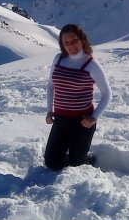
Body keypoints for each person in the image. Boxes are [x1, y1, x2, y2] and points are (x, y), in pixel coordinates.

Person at [44, 24, 111, 170]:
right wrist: (50, 111)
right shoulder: (58, 59)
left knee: (76, 165)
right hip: (61, 120)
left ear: (82, 39)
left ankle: (85, 158)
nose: (71, 46)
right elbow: (50, 85)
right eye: (66, 42)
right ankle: (72, 153)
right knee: (51, 163)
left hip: (82, 122)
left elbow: (107, 94)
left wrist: (93, 117)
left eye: (74, 40)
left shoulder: (91, 64)